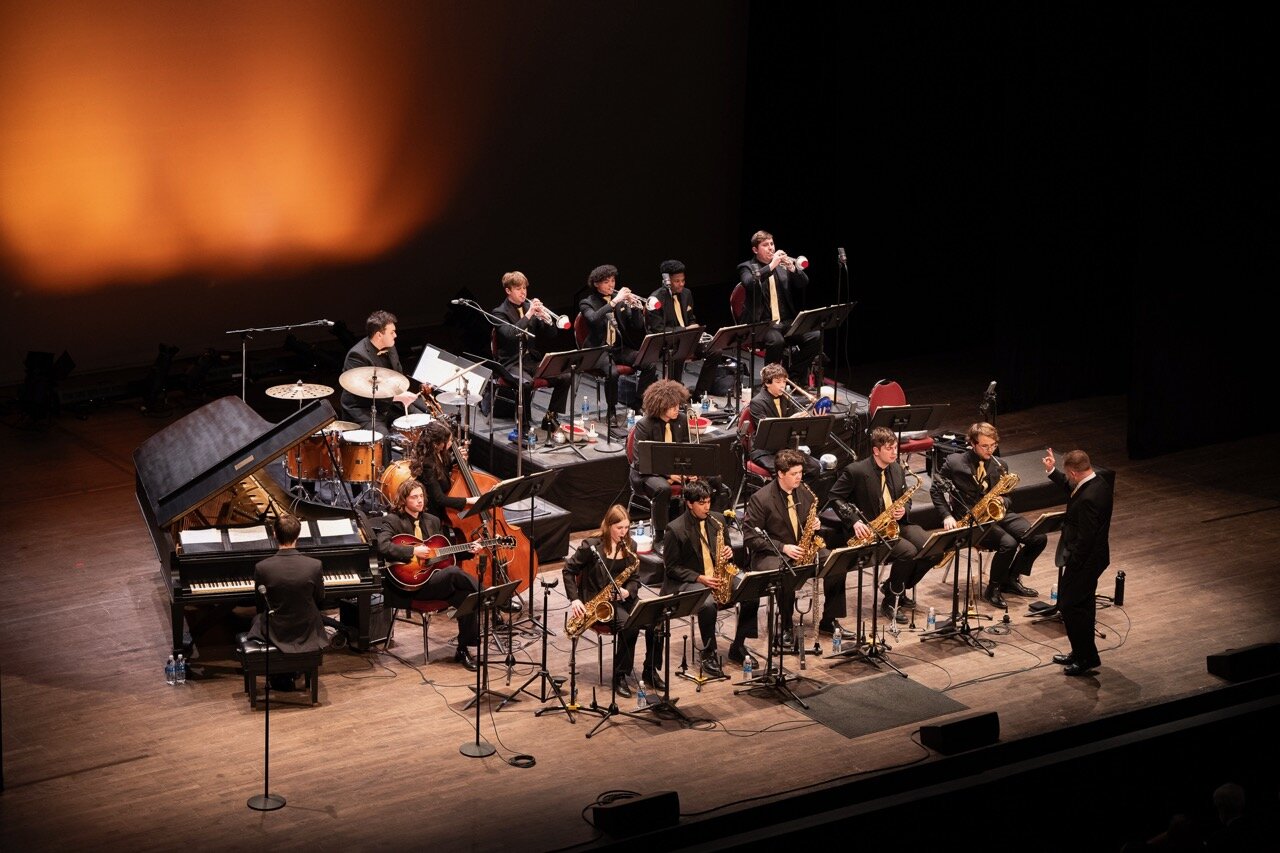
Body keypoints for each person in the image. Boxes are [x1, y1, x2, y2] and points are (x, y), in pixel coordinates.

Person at [929, 422, 1047, 609]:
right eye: (985, 446)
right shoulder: (955, 462)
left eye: (993, 445)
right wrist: (946, 516)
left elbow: (1007, 496)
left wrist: (1003, 502)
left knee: (1039, 537)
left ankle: (1010, 578)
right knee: (1008, 543)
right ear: (973, 444)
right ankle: (993, 588)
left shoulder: (1000, 465)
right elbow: (936, 490)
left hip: (998, 513)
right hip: (971, 519)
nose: (990, 450)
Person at [825, 426, 930, 625]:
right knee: (908, 552)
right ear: (876, 450)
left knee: (933, 548)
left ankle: (892, 586)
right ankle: (891, 601)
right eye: (889, 448)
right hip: (872, 530)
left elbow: (905, 498)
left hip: (897, 523)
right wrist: (854, 521)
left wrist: (904, 510)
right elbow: (835, 497)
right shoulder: (856, 471)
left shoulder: (897, 468)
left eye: (895, 448)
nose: (894, 452)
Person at [375, 479, 482, 670]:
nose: (419, 501)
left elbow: (445, 551)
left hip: (435, 581)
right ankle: (489, 597)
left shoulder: (432, 520)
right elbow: (382, 547)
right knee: (453, 572)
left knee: (467, 597)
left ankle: (463, 649)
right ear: (403, 500)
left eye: (421, 496)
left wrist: (469, 551)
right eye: (414, 497)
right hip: (410, 587)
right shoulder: (392, 520)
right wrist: (412, 552)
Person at [561, 504, 661, 696]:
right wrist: (574, 599)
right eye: (619, 528)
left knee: (656, 621)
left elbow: (635, 579)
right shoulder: (591, 546)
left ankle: (650, 670)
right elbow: (568, 570)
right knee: (629, 627)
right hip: (599, 604)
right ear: (608, 525)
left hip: (623, 598)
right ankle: (620, 675)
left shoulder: (630, 546)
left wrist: (627, 592)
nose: (623, 532)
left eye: (626, 528)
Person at [743, 448, 836, 651]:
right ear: (781, 474)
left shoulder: (804, 492)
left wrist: (813, 525)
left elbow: (805, 520)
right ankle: (786, 625)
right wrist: (783, 547)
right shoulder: (761, 499)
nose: (799, 478)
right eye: (794, 474)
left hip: (802, 548)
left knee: (835, 562)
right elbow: (751, 537)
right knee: (785, 573)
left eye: (801, 473)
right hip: (771, 553)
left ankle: (830, 619)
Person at [660, 479, 752, 679]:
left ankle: (738, 645)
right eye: (701, 503)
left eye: (708, 501)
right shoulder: (674, 529)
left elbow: (726, 553)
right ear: (689, 503)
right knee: (707, 604)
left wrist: (729, 552)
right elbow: (672, 568)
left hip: (717, 575)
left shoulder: (718, 520)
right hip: (689, 581)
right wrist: (700, 578)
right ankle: (709, 653)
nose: (706, 507)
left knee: (750, 591)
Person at [629, 378, 728, 543]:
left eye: (678, 404)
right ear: (660, 406)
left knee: (715, 478)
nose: (677, 409)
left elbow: (687, 450)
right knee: (662, 489)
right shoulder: (644, 426)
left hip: (679, 468)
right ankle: (660, 537)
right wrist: (670, 476)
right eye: (672, 406)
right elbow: (641, 462)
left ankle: (711, 525)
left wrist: (692, 470)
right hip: (648, 473)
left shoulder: (681, 420)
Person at [1042, 447, 1112, 676]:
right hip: (1094, 559)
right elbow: (1074, 490)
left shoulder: (1089, 499)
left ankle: (1087, 658)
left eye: (1066, 473)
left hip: (1085, 561)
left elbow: (1087, 538)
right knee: (1084, 605)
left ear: (1072, 472)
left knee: (1070, 606)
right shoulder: (1097, 483)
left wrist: (1073, 562)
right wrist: (1053, 471)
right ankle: (1080, 652)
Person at [246, 513, 328, 691]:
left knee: (256, 620)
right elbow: (320, 598)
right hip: (306, 628)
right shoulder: (314, 565)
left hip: (276, 630)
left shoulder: (262, 567)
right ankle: (295, 668)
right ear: (298, 536)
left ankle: (278, 672)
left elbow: (260, 604)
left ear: (274, 534)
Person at [491, 271, 571, 434]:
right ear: (508, 290)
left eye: (525, 288)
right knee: (525, 385)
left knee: (565, 377)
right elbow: (510, 335)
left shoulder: (529, 308)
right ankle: (524, 427)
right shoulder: (499, 312)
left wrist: (544, 318)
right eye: (518, 288)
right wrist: (529, 314)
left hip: (531, 360)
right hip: (510, 362)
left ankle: (550, 417)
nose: (523, 293)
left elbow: (552, 335)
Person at [577, 264, 655, 428]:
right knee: (612, 373)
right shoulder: (587, 302)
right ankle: (611, 411)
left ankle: (638, 402)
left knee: (649, 363)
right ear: (596, 284)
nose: (611, 285)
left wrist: (635, 309)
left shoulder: (619, 301)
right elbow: (593, 319)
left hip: (619, 348)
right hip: (598, 350)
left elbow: (636, 326)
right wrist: (615, 301)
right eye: (606, 282)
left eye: (612, 281)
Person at [736, 229, 822, 371]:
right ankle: (770, 381)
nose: (771, 247)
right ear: (755, 249)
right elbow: (749, 283)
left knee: (815, 336)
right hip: (762, 324)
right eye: (765, 245)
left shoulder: (782, 266)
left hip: (786, 321)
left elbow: (803, 283)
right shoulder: (746, 267)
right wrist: (771, 265)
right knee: (777, 341)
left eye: (772, 243)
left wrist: (792, 268)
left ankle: (793, 374)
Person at [340, 309, 433, 437]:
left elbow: (398, 376)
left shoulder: (391, 347)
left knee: (427, 419)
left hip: (389, 404)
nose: (395, 335)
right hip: (364, 409)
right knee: (382, 437)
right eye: (392, 332)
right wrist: (398, 397)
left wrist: (403, 394)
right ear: (379, 335)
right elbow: (364, 394)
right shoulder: (357, 356)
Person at [648, 259, 721, 398]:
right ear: (666, 280)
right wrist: (686, 330)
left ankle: (700, 393)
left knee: (715, 351)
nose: (681, 284)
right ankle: (675, 395)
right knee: (679, 353)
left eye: (683, 280)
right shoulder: (655, 299)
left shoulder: (687, 294)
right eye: (677, 281)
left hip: (687, 340)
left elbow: (690, 318)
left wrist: (695, 330)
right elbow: (658, 330)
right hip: (668, 344)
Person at [747, 362, 821, 478]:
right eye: (778, 382)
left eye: (784, 381)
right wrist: (789, 420)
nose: (782, 385)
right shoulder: (757, 402)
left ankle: (800, 494)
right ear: (767, 383)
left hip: (784, 448)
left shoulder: (785, 397)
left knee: (814, 467)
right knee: (785, 472)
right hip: (765, 451)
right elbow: (765, 428)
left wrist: (812, 413)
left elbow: (798, 413)